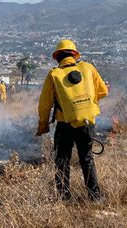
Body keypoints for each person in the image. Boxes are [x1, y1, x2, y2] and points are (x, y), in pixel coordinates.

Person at [36, 39, 108, 202]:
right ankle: (95, 197)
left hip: (65, 124)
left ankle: (64, 197)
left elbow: (44, 105)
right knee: (87, 159)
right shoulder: (88, 68)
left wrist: (42, 125)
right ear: (75, 55)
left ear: (57, 57)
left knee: (62, 160)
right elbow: (103, 91)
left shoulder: (54, 74)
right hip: (87, 122)